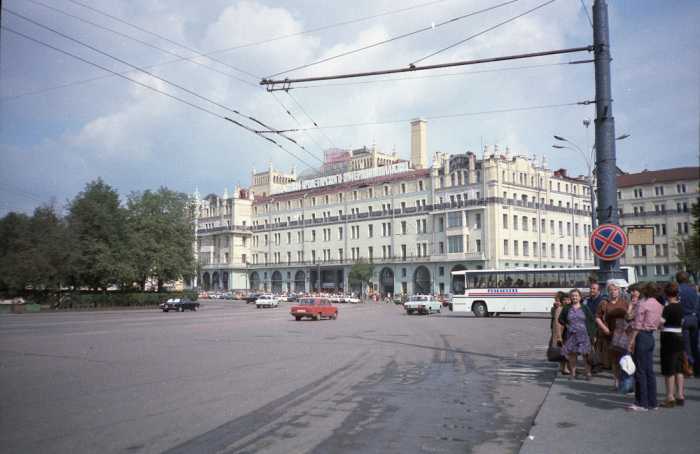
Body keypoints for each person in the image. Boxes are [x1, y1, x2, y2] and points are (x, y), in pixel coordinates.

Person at [626, 281, 664, 412]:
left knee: (640, 371)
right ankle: (653, 401)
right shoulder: (659, 305)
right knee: (649, 372)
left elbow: (637, 325)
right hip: (651, 336)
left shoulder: (643, 304)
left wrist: (631, 341)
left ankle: (641, 403)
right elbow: (660, 324)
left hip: (641, 336)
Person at [595, 279, 630, 390]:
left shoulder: (625, 303)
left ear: (619, 291)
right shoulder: (604, 303)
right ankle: (616, 382)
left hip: (624, 334)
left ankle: (625, 382)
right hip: (611, 333)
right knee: (614, 360)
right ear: (608, 291)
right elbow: (597, 317)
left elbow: (630, 316)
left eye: (615, 290)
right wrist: (604, 328)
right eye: (611, 290)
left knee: (625, 358)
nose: (613, 292)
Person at [658, 281, 686, 407]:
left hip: (669, 336)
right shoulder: (680, 306)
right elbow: (682, 321)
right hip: (679, 335)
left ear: (666, 293)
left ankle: (669, 396)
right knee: (679, 366)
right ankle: (680, 394)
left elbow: (660, 323)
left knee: (669, 367)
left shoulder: (668, 308)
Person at [558, 288, 596, 380]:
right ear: (570, 297)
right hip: (572, 335)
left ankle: (588, 373)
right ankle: (573, 373)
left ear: (579, 297)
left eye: (576, 296)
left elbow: (591, 320)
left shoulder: (584, 307)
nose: (574, 297)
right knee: (573, 355)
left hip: (584, 334)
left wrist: (593, 335)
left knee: (585, 355)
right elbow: (560, 319)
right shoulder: (567, 307)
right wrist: (567, 326)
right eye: (572, 296)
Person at [676, 271, 699, 376]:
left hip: (683, 318)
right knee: (694, 344)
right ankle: (698, 368)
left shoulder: (678, 290)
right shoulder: (693, 290)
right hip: (694, 318)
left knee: (686, 345)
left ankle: (688, 367)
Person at [551, 291, 570, 375]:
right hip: (562, 332)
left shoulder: (571, 307)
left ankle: (568, 367)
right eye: (565, 300)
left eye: (568, 300)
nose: (567, 301)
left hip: (569, 332)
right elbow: (557, 323)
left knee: (568, 350)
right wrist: (559, 336)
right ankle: (565, 368)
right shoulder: (559, 309)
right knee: (563, 350)